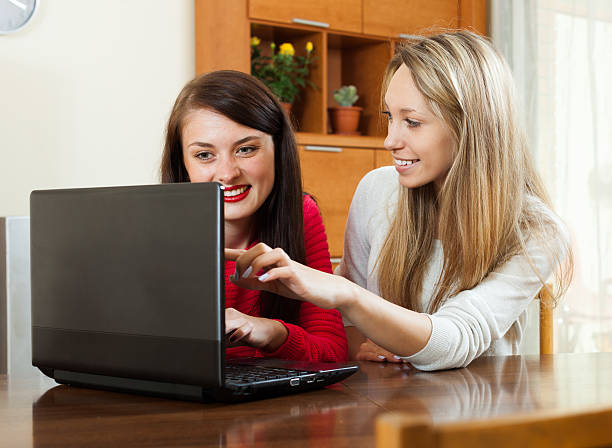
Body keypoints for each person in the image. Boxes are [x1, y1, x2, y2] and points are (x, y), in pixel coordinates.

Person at [226, 31, 573, 371]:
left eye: (413, 122)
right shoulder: (377, 190)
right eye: (390, 117)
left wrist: (346, 293)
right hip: (384, 410)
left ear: (471, 126)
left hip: (478, 417)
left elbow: (456, 340)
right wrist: (366, 337)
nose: (391, 140)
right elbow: (348, 337)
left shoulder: (537, 231)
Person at [160, 70, 347, 362]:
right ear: (182, 164)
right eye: (204, 155)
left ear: (277, 150)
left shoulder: (301, 214)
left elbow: (332, 351)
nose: (227, 173)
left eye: (246, 149)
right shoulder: (156, 229)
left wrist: (273, 333)